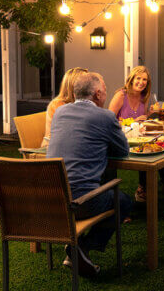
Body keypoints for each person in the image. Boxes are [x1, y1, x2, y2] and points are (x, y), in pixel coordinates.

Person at [47, 72, 132, 277]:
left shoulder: (59, 113)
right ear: (97, 94)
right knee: (125, 201)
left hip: (53, 199)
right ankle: (83, 246)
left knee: (98, 181)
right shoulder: (105, 117)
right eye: (104, 91)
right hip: (81, 202)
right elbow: (123, 151)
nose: (105, 94)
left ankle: (78, 249)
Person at [109, 66, 153, 202]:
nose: (141, 82)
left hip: (137, 139)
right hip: (119, 139)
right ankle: (114, 197)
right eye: (138, 78)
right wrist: (134, 121)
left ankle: (144, 187)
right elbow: (109, 121)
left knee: (153, 151)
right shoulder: (121, 95)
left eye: (144, 79)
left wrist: (149, 115)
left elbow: (140, 122)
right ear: (131, 79)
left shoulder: (143, 97)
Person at [41, 67, 88, 147]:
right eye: (86, 83)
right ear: (74, 85)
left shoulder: (84, 102)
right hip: (53, 148)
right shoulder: (57, 105)